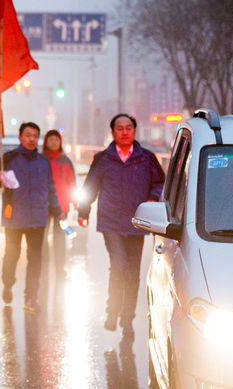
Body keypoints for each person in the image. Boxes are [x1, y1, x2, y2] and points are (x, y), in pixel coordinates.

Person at [77, 114, 165, 338]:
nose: (125, 131)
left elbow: (159, 182)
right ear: (113, 132)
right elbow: (90, 186)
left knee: (133, 272)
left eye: (129, 128)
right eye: (120, 128)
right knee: (118, 265)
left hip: (137, 221)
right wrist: (83, 212)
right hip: (111, 222)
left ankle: (128, 318)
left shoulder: (146, 158)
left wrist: (153, 198)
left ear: (135, 131)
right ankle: (112, 311)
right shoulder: (103, 159)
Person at [0, 122, 60, 313]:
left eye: (35, 136)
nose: (31, 139)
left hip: (38, 217)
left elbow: (50, 186)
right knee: (12, 254)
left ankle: (31, 296)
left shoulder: (43, 161)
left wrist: (56, 207)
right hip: (14, 216)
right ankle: (8, 283)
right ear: (20, 137)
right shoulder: (9, 158)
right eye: (28, 135)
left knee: (35, 259)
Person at [41, 129, 77, 280]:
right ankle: (43, 267)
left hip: (61, 206)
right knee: (42, 237)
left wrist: (75, 202)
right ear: (46, 142)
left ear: (60, 142)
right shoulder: (41, 160)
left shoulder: (65, 161)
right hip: (43, 204)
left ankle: (60, 268)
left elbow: (71, 183)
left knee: (59, 237)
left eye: (56, 140)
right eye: (50, 140)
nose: (53, 142)